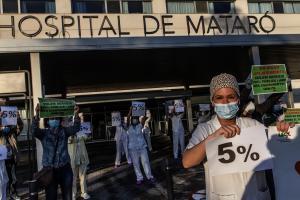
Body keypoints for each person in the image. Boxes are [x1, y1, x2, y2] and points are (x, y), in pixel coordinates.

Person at [182, 73, 294, 200]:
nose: (225, 102)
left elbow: (278, 148)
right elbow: (187, 162)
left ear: (238, 100)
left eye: (231, 97)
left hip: (258, 195)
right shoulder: (205, 129)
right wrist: (213, 137)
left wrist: (282, 130)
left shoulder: (253, 125)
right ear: (213, 102)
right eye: (219, 97)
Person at [32, 103, 80, 200]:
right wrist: (37, 114)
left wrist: (76, 114)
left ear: (60, 120)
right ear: (48, 121)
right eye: (51, 118)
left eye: (56, 118)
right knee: (51, 197)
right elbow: (33, 130)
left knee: (67, 197)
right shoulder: (44, 133)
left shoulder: (64, 131)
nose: (54, 120)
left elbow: (76, 128)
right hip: (49, 171)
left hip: (65, 169)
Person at [0, 99, 23, 200]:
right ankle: (5, 195)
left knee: (12, 175)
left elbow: (19, 128)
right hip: (1, 153)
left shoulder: (12, 124)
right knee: (2, 178)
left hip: (11, 152)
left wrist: (17, 118)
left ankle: (13, 193)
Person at [127, 107, 155, 185]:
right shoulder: (128, 127)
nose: (134, 120)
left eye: (136, 119)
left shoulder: (140, 125)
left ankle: (149, 176)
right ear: (131, 120)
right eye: (133, 119)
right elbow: (128, 117)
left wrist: (142, 110)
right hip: (133, 149)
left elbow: (144, 118)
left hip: (142, 147)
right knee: (136, 164)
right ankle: (139, 178)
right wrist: (130, 111)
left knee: (146, 162)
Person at [68, 113, 91, 200]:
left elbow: (86, 137)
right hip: (73, 158)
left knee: (83, 176)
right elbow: (69, 140)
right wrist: (73, 133)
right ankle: (73, 194)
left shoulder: (81, 130)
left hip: (82, 157)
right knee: (73, 177)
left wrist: (86, 129)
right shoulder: (68, 131)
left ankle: (84, 192)